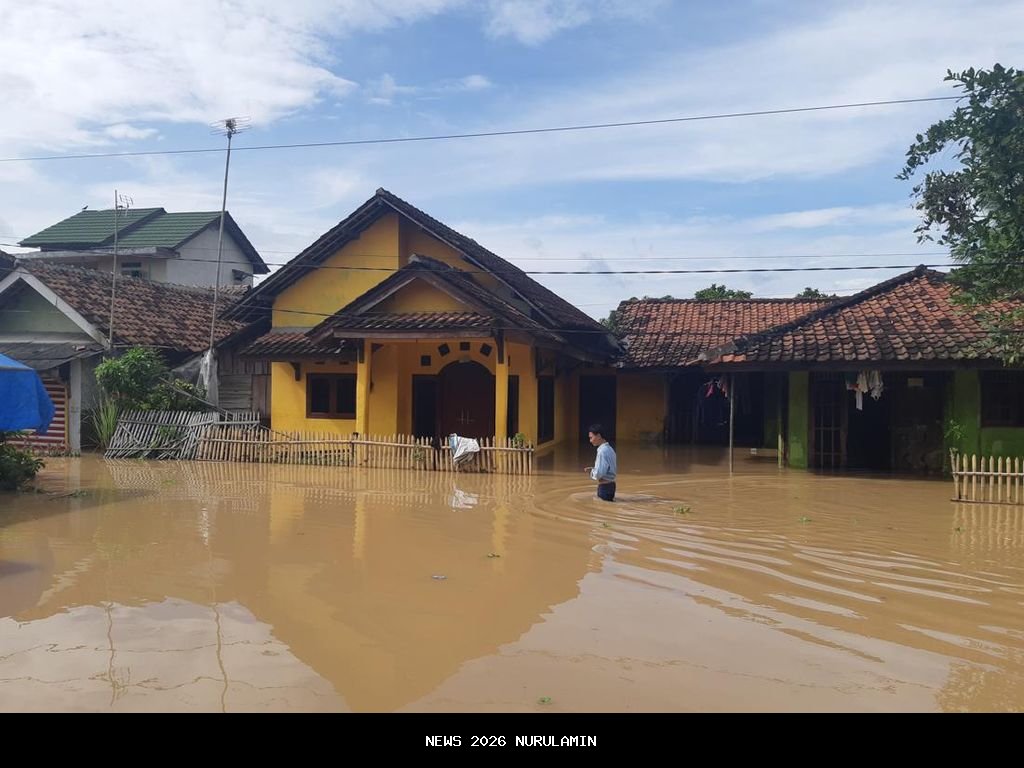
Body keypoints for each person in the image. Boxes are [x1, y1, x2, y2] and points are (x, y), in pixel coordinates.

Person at [585, 423, 617, 501]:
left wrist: (591, 472)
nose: (590, 441)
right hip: (611, 486)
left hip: (605, 487)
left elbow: (599, 474)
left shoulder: (602, 451)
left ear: (598, 436)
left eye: (591, 438)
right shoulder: (610, 449)